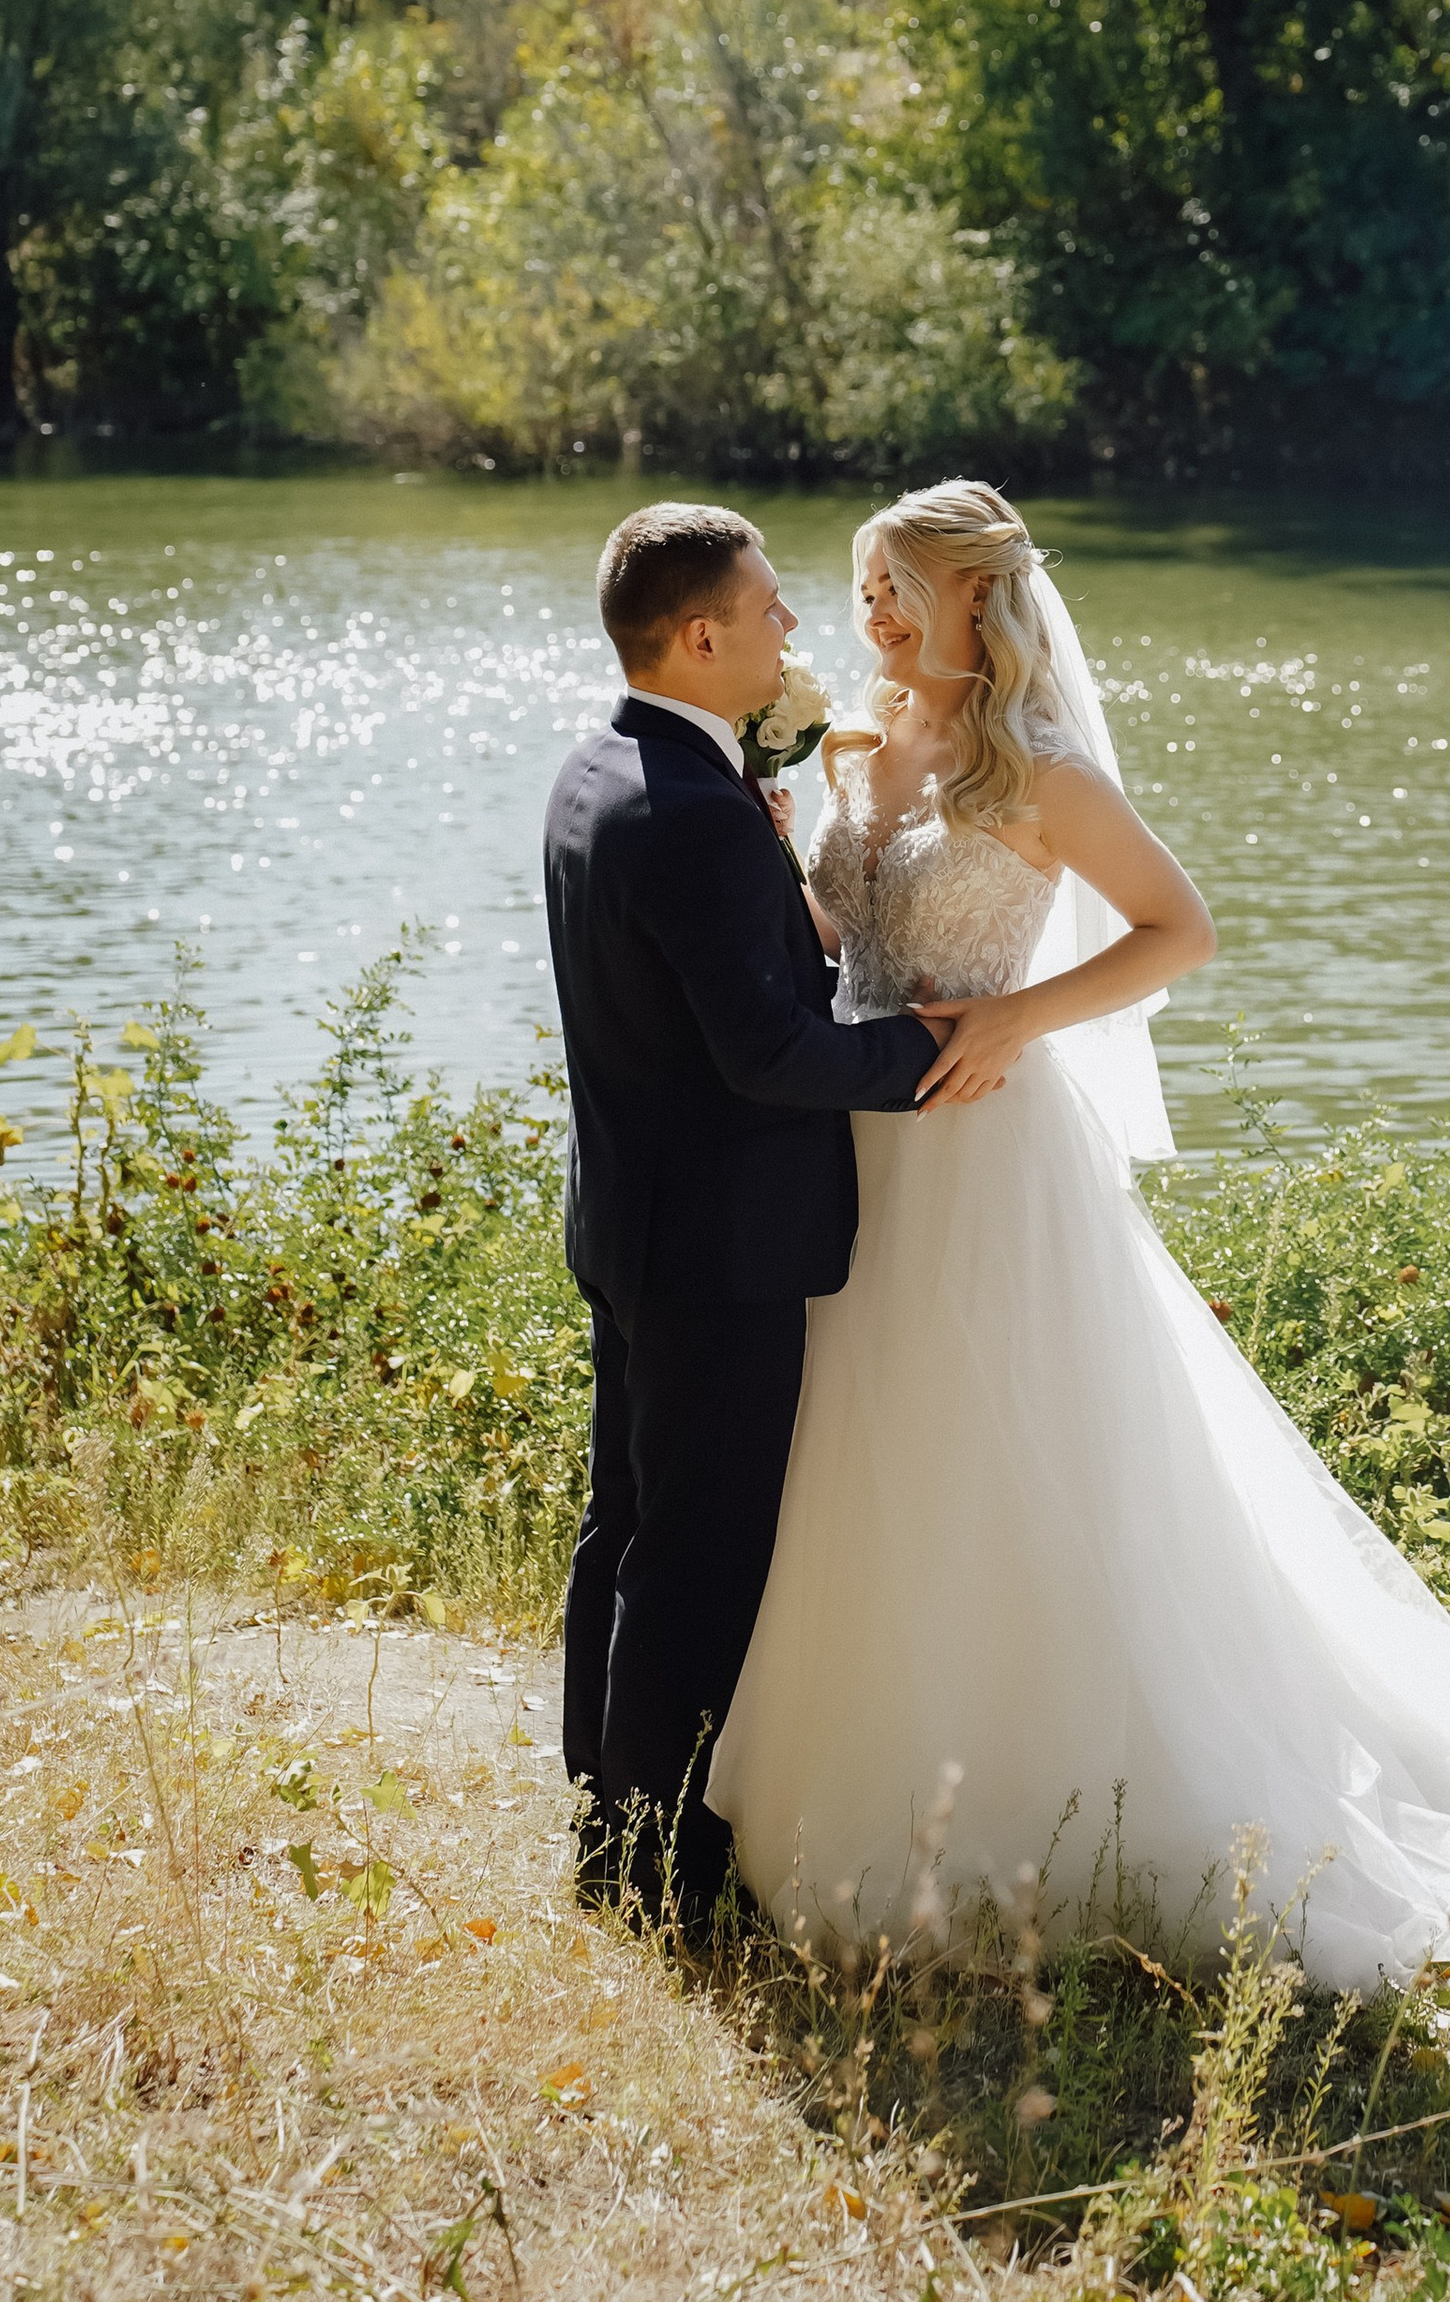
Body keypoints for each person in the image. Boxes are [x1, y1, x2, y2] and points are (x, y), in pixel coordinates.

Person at [706, 479, 1450, 1991]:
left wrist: (1023, 1017)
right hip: (861, 1145)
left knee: (1008, 1451)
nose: (873, 610)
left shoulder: (1036, 771)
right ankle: (866, 1782)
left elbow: (1182, 930)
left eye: (897, 583)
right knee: (869, 1441)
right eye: (863, 584)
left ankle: (1062, 1794)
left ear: (977, 595)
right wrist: (783, 850)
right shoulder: (848, 745)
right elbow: (847, 943)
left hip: (989, 1150)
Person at [542, 502, 949, 1925]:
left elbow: (718, 991)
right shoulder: (695, 810)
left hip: (636, 1223)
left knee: (628, 1530)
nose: (793, 629)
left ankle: (608, 1826)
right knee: (698, 1556)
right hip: (717, 1246)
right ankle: (656, 1870)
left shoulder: (609, 767)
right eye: (773, 608)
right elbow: (770, 1054)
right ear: (702, 635)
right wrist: (938, 1052)